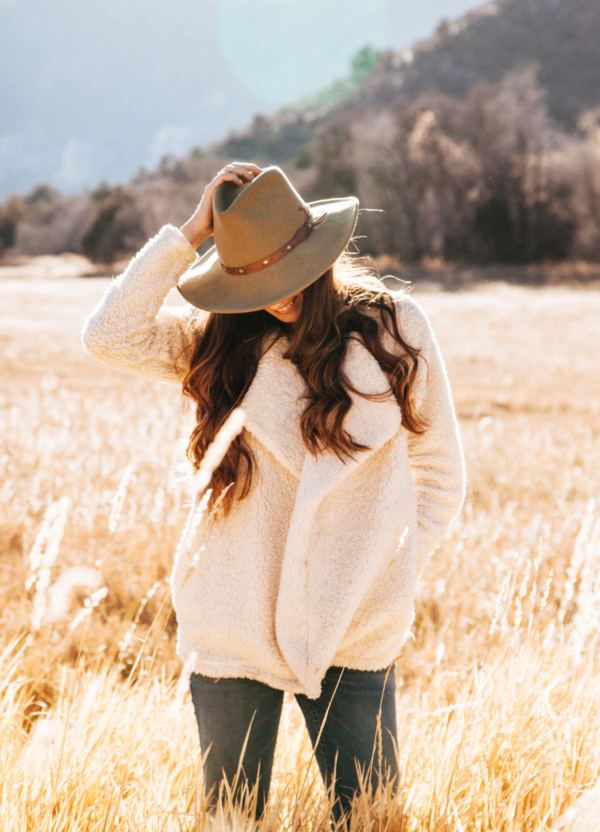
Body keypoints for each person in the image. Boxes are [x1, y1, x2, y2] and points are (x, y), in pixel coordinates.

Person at [82, 162, 465, 823]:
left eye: (286, 273)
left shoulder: (393, 329)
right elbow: (108, 335)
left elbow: (438, 467)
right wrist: (194, 231)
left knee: (370, 816)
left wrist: (388, 560)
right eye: (254, 278)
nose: (277, 295)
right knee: (233, 817)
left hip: (357, 619)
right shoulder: (216, 343)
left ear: (318, 252)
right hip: (233, 619)